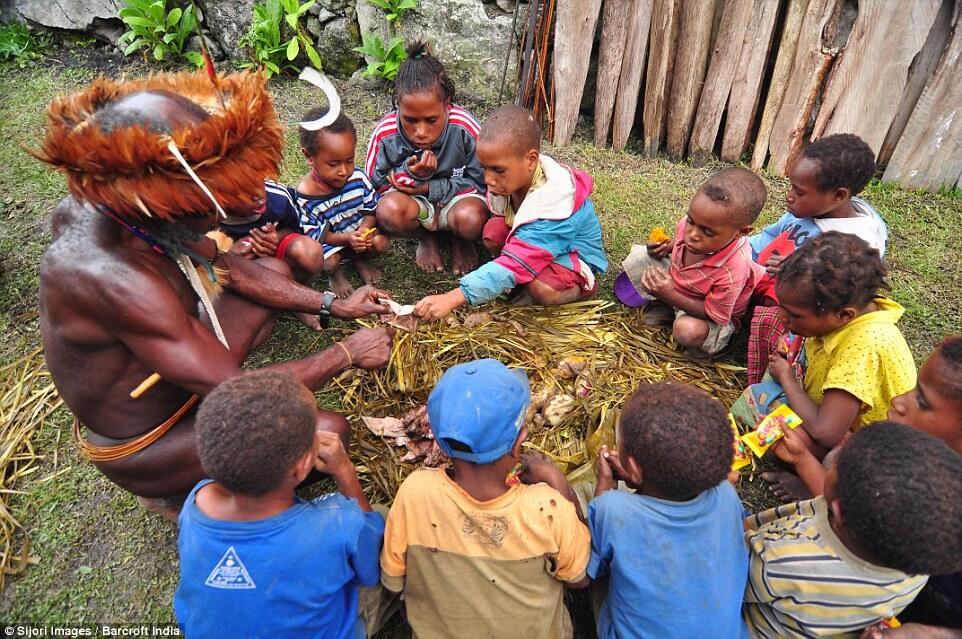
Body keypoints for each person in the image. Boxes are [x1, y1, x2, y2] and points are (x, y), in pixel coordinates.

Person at [32, 72, 394, 519]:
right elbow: (239, 395)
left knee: (274, 270)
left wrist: (335, 306)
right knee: (327, 434)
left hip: (178, 372)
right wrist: (346, 352)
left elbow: (233, 269)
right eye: (212, 207)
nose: (224, 217)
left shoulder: (131, 211)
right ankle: (175, 493)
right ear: (165, 199)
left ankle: (198, 382)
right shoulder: (117, 278)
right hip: (150, 440)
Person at [379, 359, 591, 639]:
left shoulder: (415, 492)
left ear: (440, 443)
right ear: (518, 444)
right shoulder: (547, 508)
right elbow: (581, 578)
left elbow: (393, 581)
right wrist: (557, 482)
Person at [174, 371, 386, 639]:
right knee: (381, 518)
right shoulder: (339, 523)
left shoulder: (197, 502)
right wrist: (345, 472)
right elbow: (370, 571)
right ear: (300, 468)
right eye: (314, 433)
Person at [742, 421, 962, 639]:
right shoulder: (914, 567)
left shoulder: (783, 560)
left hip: (750, 625)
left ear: (837, 510)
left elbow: (729, 579)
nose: (833, 457)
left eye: (839, 460)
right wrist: (802, 459)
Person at [586, 381, 749, 639]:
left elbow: (592, 569)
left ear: (635, 471)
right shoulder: (726, 495)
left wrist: (606, 483)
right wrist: (638, 479)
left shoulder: (614, 509)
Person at [413, 104, 608, 320]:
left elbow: (515, 263)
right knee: (493, 232)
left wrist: (452, 298)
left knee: (541, 289)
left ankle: (582, 289)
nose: (487, 179)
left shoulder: (554, 205)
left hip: (571, 255)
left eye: (497, 170)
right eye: (484, 168)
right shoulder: (514, 178)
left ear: (531, 160)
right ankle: (521, 277)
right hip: (536, 244)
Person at [763, 232, 916, 499]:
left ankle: (817, 487)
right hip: (832, 416)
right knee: (765, 412)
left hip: (867, 448)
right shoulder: (839, 316)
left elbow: (826, 433)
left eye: (794, 315)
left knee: (781, 436)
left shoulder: (864, 346)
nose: (781, 317)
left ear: (844, 315)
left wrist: (787, 377)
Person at [747, 134, 887, 384]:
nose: (789, 196)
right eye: (792, 186)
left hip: (803, 308)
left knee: (774, 319)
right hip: (765, 280)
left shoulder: (854, 242)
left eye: (799, 192)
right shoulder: (804, 211)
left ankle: (774, 386)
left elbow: (838, 297)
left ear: (838, 196)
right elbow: (761, 243)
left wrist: (792, 271)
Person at [365, 41, 488, 275]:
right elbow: (373, 187)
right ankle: (425, 237)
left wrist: (429, 187)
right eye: (410, 120)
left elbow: (485, 183)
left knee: (470, 219)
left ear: (447, 106)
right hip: (417, 209)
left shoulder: (465, 129)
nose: (420, 132)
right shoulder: (385, 135)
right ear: (398, 107)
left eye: (431, 120)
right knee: (389, 210)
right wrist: (409, 174)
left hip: (458, 201)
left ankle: (460, 239)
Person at [616, 167, 767, 356]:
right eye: (691, 221)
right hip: (681, 284)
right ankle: (669, 309)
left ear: (741, 232)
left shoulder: (733, 269)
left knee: (687, 330)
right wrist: (668, 246)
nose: (692, 234)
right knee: (640, 259)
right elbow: (681, 241)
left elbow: (714, 314)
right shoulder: (694, 226)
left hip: (707, 312)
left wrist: (669, 294)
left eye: (708, 232)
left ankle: (706, 342)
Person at [294, 107, 386, 297]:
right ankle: (335, 276)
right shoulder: (305, 195)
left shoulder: (357, 179)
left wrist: (363, 230)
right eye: (333, 164)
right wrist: (346, 239)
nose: (344, 171)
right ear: (308, 156)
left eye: (349, 160)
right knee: (328, 262)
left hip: (357, 236)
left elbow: (370, 209)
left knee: (380, 242)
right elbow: (316, 236)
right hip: (332, 243)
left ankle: (360, 261)